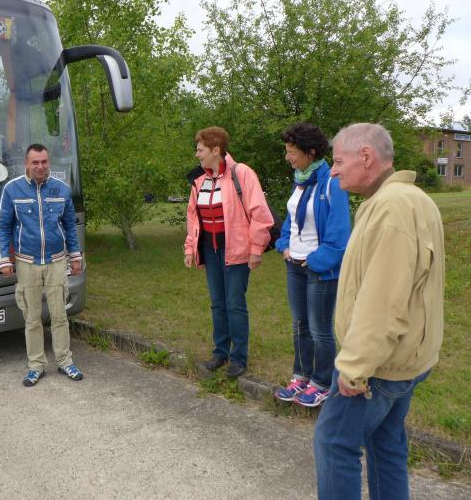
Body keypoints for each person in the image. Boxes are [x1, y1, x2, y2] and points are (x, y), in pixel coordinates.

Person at [313, 123, 445, 500]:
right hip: (405, 356)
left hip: (379, 366)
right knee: (386, 444)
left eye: (339, 161)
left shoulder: (392, 207)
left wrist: (354, 367)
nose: (333, 171)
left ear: (367, 157)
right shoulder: (410, 199)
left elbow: (383, 300)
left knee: (334, 443)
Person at [183, 127, 274, 378]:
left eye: (200, 150)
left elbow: (260, 214)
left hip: (236, 249)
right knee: (218, 303)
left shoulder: (241, 173)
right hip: (210, 250)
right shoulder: (199, 180)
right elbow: (193, 217)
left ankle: (239, 358)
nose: (197, 154)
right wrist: (190, 247)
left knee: (234, 303)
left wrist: (256, 249)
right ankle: (220, 352)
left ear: (216, 150)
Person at [273, 123, 351, 407]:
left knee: (320, 329)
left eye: (292, 152)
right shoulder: (300, 180)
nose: (287, 157)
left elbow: (340, 233)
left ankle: (322, 383)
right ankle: (301, 376)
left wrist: (316, 260)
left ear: (311, 152)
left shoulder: (332, 182)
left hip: (320, 269)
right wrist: (284, 245)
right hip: (294, 265)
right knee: (299, 326)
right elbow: (291, 218)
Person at [0, 144, 84, 386]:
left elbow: (70, 226)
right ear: (26, 163)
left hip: (57, 262)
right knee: (32, 318)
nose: (40, 166)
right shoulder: (12, 189)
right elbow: (3, 226)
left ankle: (65, 361)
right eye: (35, 162)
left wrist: (75, 256)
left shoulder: (62, 189)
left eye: (44, 161)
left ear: (49, 162)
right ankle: (36, 365)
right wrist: (4, 259)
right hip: (26, 263)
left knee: (59, 315)